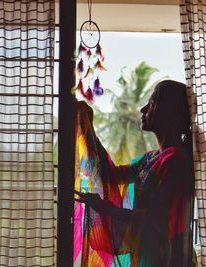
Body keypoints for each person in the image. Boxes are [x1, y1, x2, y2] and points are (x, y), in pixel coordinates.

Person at [74, 80, 194, 266]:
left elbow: (151, 219)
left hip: (166, 258)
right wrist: (87, 127)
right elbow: (109, 174)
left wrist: (105, 208)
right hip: (144, 255)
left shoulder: (175, 161)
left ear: (170, 113)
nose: (143, 109)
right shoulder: (149, 159)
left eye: (152, 103)